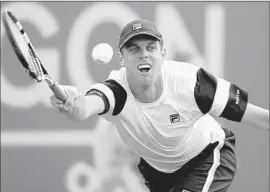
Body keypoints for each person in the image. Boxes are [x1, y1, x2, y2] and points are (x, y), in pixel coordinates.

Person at [50, 20, 269, 192]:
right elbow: (83, 108)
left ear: (162, 54)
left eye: (151, 47)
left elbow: (254, 115)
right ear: (122, 59)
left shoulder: (190, 83)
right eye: (134, 49)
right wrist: (71, 101)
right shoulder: (116, 92)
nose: (144, 54)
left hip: (208, 156)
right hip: (159, 172)